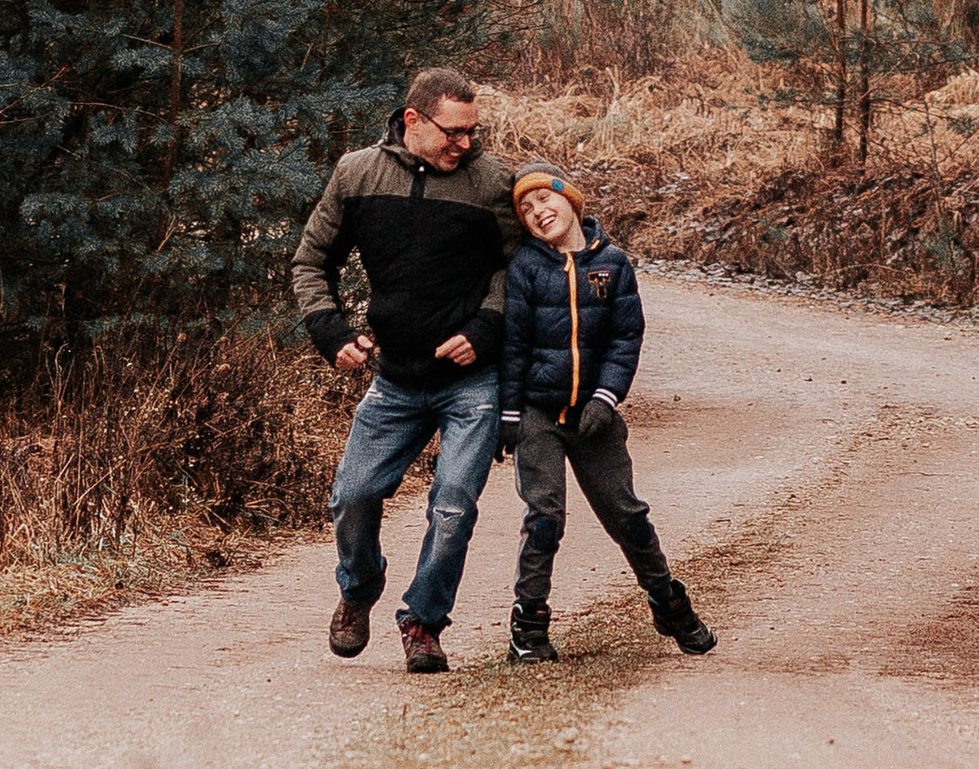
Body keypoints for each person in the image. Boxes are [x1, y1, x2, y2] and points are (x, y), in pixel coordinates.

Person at [293, 68, 520, 674]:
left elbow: (518, 270)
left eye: (474, 132)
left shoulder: (494, 184)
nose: (465, 145)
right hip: (395, 379)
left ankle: (423, 622)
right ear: (413, 121)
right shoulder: (358, 173)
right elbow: (312, 260)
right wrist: (331, 332)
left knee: (453, 508)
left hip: (472, 383)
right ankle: (360, 587)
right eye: (453, 132)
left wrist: (484, 328)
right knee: (354, 495)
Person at [498, 164, 716, 665]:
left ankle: (668, 601)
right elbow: (512, 348)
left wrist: (605, 398)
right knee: (545, 515)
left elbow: (625, 339)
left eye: (545, 201)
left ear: (571, 202)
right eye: (526, 211)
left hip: (593, 415)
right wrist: (509, 417)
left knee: (626, 512)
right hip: (538, 412)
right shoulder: (526, 269)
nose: (538, 213)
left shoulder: (612, 264)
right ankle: (529, 625)